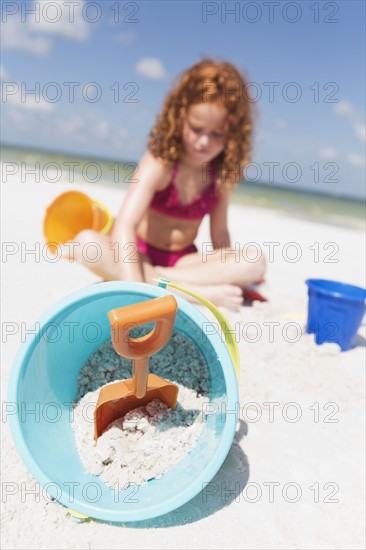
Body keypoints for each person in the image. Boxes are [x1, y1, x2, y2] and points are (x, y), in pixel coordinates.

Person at [73, 58, 266, 309]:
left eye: (217, 134)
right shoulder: (160, 162)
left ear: (234, 134)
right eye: (196, 129)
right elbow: (125, 225)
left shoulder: (220, 176)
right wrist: (135, 289)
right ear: (180, 117)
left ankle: (161, 282)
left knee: (255, 261)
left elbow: (219, 234)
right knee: (86, 243)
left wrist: (229, 269)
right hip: (137, 253)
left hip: (183, 263)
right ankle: (192, 294)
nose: (204, 142)